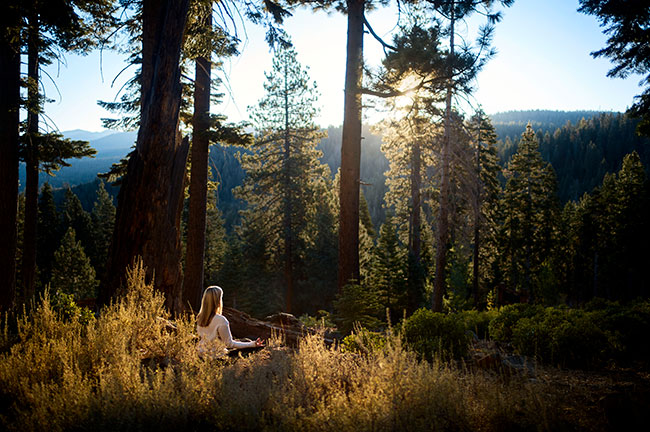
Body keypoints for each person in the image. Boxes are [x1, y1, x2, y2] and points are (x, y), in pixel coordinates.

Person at [196, 286, 264, 357]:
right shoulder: (221, 320)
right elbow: (229, 344)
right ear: (218, 301)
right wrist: (252, 344)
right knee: (253, 346)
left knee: (245, 340)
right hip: (216, 357)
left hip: (201, 355)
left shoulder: (200, 318)